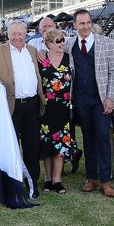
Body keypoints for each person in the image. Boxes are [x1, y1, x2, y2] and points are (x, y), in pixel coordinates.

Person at [0, 21, 45, 197]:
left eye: (20, 33)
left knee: (32, 147)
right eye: (13, 34)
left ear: (26, 34)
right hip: (11, 106)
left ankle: (32, 183)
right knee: (10, 147)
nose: (17, 37)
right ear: (8, 34)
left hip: (32, 105)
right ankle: (11, 183)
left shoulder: (32, 51)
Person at [66, 9, 114, 197]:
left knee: (103, 137)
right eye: (81, 23)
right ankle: (92, 178)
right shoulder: (68, 44)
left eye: (88, 22)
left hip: (102, 99)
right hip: (81, 99)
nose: (86, 26)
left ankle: (106, 181)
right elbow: (51, 51)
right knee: (88, 139)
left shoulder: (107, 43)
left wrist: (110, 97)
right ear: (74, 25)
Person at [38, 27, 78, 195]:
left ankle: (57, 179)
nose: (62, 43)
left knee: (60, 144)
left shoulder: (69, 58)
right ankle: (48, 178)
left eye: (63, 40)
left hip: (63, 109)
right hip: (45, 109)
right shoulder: (41, 58)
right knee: (47, 144)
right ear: (48, 44)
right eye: (58, 41)